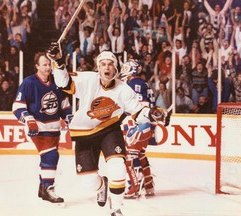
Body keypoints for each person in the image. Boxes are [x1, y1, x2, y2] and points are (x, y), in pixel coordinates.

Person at [47, 43, 169, 216]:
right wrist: (58, 61)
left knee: (118, 166)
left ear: (115, 68)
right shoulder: (88, 79)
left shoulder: (124, 89)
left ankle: (116, 208)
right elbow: (63, 82)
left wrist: (152, 114)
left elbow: (137, 111)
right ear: (98, 68)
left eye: (110, 64)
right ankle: (102, 186)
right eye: (103, 63)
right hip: (84, 133)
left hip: (109, 129)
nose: (107, 67)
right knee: (88, 181)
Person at [12, 52, 72, 205]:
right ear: (37, 66)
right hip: (37, 128)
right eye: (44, 64)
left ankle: (42, 186)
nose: (47, 67)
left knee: (48, 158)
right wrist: (28, 119)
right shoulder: (29, 82)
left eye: (49, 64)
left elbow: (64, 106)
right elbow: (17, 107)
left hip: (54, 129)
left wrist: (70, 119)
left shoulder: (57, 83)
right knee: (51, 156)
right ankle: (48, 188)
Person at [120, 59, 167, 198]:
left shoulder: (134, 83)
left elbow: (140, 106)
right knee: (140, 153)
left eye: (126, 67)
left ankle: (134, 186)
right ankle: (148, 185)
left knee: (129, 155)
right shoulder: (143, 83)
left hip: (141, 124)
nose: (123, 70)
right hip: (148, 125)